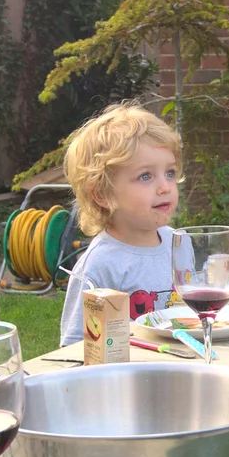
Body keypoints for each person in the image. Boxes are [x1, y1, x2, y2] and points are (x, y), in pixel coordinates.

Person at [58, 105, 185, 346]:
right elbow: (77, 344)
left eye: (170, 173)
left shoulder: (178, 243)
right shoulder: (101, 263)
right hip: (128, 377)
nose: (165, 187)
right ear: (102, 194)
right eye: (145, 176)